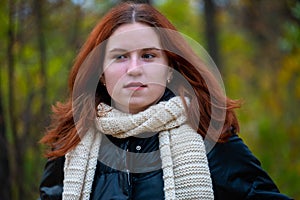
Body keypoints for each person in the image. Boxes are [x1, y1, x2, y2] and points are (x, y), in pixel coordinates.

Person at [39, 2, 293, 200]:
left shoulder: (208, 133)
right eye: (120, 57)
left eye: (148, 56)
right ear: (101, 74)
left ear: (170, 70)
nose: (134, 69)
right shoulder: (72, 141)